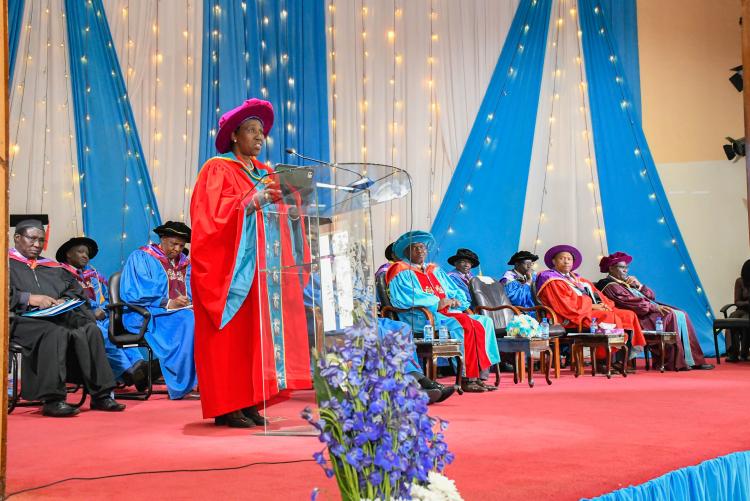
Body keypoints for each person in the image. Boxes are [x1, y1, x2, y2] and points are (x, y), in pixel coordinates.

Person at [190, 98, 312, 428]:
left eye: (262, 131)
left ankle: (251, 401)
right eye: (252, 130)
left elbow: (280, 216)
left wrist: (291, 200)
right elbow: (208, 218)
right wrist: (249, 203)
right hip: (234, 273)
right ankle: (228, 405)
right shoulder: (218, 168)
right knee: (232, 338)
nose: (259, 136)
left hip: (265, 272)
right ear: (234, 135)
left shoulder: (267, 173)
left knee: (256, 339)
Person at [9, 219, 125, 416]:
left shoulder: (52, 268)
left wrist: (65, 300)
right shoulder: (6, 264)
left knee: (90, 329)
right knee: (53, 332)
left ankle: (101, 395)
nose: (37, 244)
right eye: (32, 239)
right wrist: (29, 298)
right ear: (17, 238)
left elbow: (76, 291)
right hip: (19, 319)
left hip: (55, 316)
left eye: (41, 240)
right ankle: (53, 399)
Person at [385, 230, 500, 392]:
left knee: (484, 321)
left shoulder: (434, 270)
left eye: (422, 247)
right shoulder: (400, 269)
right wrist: (437, 303)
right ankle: (466, 378)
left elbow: (453, 290)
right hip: (420, 316)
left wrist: (456, 300)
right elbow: (405, 297)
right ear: (406, 251)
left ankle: (480, 376)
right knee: (464, 324)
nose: (420, 251)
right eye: (415, 247)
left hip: (442, 314)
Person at [56, 237, 148, 389]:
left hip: (101, 316)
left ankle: (140, 366)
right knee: (103, 333)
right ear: (68, 254)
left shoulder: (93, 275)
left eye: (87, 253)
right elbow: (67, 298)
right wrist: (92, 310)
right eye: (80, 252)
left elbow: (105, 297)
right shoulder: (60, 274)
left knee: (118, 327)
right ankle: (128, 372)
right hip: (78, 318)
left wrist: (105, 309)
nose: (85, 256)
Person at [119, 221, 197, 400]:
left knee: (200, 318)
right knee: (188, 320)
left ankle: (194, 380)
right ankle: (180, 384)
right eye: (174, 244)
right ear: (162, 239)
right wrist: (168, 302)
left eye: (181, 246)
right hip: (143, 313)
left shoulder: (184, 264)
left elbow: (193, 290)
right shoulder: (142, 257)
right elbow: (135, 292)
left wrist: (189, 302)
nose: (177, 249)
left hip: (174, 313)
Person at [595, 252, 713, 370]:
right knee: (670, 315)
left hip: (647, 311)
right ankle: (673, 362)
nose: (626, 270)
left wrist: (639, 285)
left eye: (627, 267)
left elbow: (651, 296)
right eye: (622, 267)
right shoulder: (609, 285)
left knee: (682, 314)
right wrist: (654, 308)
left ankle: (693, 360)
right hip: (637, 317)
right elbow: (630, 303)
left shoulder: (627, 283)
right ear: (611, 268)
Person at [535, 245, 646, 362]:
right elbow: (565, 304)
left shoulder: (576, 279)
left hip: (586, 311)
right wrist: (593, 306)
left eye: (569, 259)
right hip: (568, 317)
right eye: (562, 258)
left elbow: (597, 294)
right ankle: (603, 360)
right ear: (554, 261)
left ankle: (622, 359)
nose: (566, 261)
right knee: (607, 316)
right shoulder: (550, 278)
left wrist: (604, 305)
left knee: (628, 315)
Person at [726, 259, 750, 362]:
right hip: (741, 309)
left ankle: (744, 353)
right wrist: (747, 303)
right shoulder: (740, 281)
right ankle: (733, 352)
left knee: (745, 321)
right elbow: (737, 302)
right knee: (732, 320)